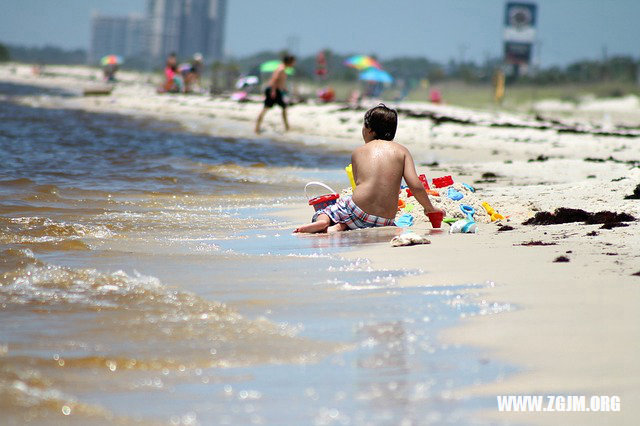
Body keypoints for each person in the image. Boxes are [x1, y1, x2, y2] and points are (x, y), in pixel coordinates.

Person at [294, 104, 444, 233]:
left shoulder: (359, 151)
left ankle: (325, 222)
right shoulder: (402, 151)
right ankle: (341, 226)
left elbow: (358, 185)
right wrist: (429, 208)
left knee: (328, 210)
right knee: (359, 216)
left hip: (357, 211)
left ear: (370, 130)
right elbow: (416, 185)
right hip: (385, 220)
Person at [255, 55, 296, 133]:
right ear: (289, 61)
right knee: (266, 108)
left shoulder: (282, 68)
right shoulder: (281, 69)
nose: (293, 64)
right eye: (293, 62)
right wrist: (273, 91)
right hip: (273, 91)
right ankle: (257, 128)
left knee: (283, 107)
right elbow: (274, 79)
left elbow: (279, 81)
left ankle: (287, 127)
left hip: (276, 90)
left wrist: (284, 88)